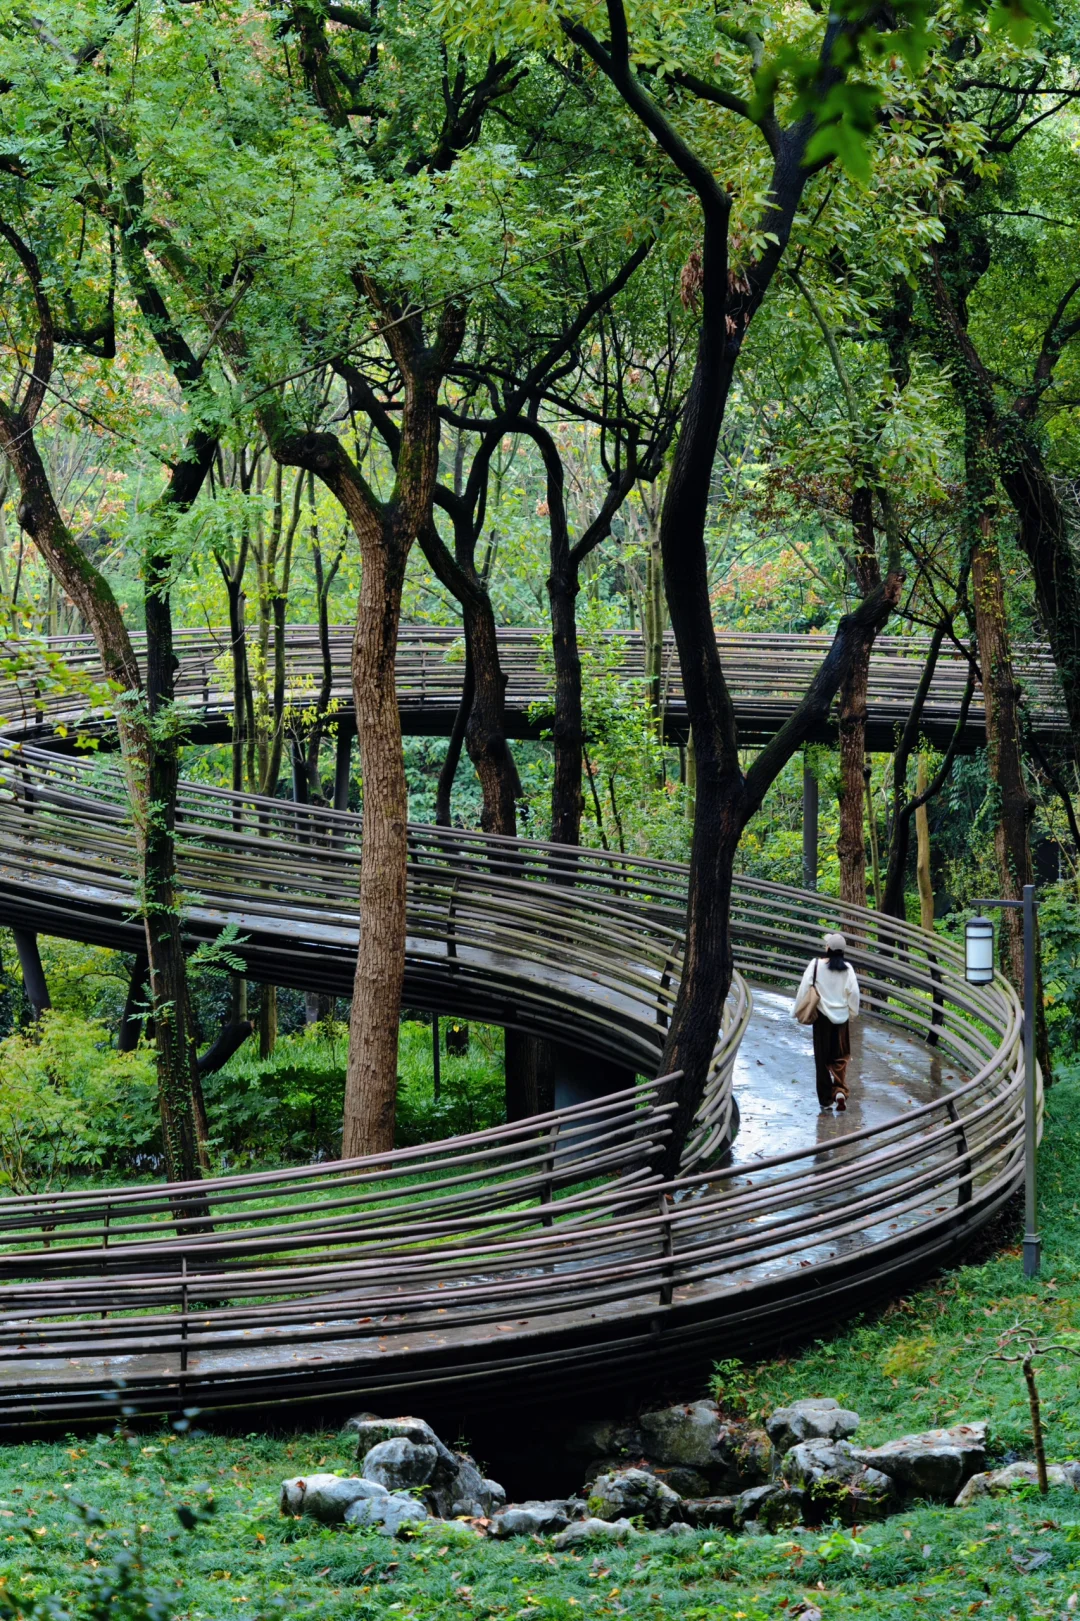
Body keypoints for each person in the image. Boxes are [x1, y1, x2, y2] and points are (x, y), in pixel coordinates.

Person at [794, 931, 860, 1111]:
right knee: (840, 1056)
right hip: (842, 1020)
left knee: (822, 1059)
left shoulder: (815, 965)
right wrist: (852, 1012)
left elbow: (804, 989)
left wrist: (797, 1010)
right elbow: (854, 993)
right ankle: (839, 1090)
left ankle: (825, 1099)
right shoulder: (848, 969)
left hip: (822, 1018)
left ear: (828, 948)